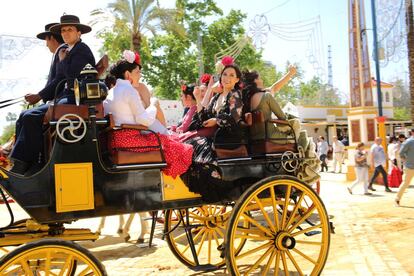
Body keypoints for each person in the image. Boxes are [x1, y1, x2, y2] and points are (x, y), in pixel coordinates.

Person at [103, 50, 193, 177]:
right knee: (181, 148)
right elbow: (144, 120)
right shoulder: (128, 90)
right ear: (128, 74)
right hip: (130, 142)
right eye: (137, 72)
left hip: (115, 141)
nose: (140, 76)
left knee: (171, 140)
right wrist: (153, 105)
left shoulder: (111, 92)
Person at [9, 22, 68, 175]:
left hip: (61, 99)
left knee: (29, 117)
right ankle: (19, 162)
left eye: (46, 40)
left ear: (51, 38)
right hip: (56, 98)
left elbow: (60, 79)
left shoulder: (62, 51)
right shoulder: (59, 52)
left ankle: (31, 163)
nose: (46, 45)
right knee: (23, 116)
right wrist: (39, 95)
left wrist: (39, 96)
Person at [185, 62, 245, 164]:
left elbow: (234, 118)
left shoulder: (235, 94)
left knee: (195, 144)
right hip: (216, 136)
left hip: (230, 137)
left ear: (237, 79)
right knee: (189, 144)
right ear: (221, 76)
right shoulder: (216, 97)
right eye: (225, 74)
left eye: (231, 75)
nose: (227, 78)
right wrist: (198, 98)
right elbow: (204, 118)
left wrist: (216, 120)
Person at [241, 70, 303, 147]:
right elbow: (282, 117)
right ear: (255, 80)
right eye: (260, 78)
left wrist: (290, 74)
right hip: (270, 136)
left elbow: (274, 87)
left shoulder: (247, 99)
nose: (262, 80)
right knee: (300, 135)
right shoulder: (266, 96)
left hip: (254, 137)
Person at [49, 14, 96, 105]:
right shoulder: (69, 50)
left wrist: (63, 60)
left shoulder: (81, 49)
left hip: (77, 98)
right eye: (63, 30)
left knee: (30, 115)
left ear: (79, 33)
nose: (65, 33)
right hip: (67, 95)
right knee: (26, 114)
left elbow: (72, 77)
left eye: (70, 29)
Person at [395, 129, 414, 206]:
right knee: (405, 183)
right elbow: (401, 153)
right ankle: (397, 199)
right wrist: (406, 161)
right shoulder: (409, 142)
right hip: (409, 166)